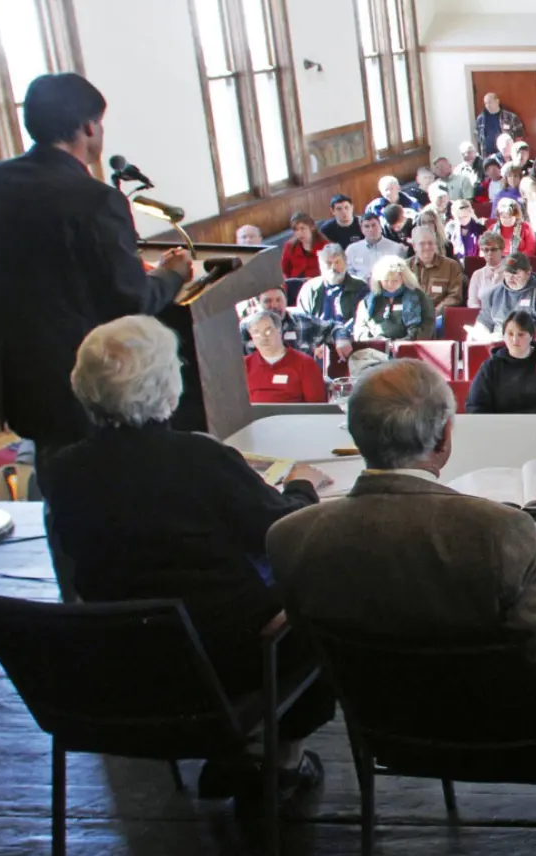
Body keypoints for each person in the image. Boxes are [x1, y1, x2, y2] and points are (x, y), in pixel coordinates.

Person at [48, 316, 334, 795]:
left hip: (121, 665)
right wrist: (302, 486)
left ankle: (230, 756)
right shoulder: (198, 459)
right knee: (319, 599)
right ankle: (284, 761)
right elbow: (281, 529)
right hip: (230, 659)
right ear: (166, 384)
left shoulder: (63, 471)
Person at [268, 360, 536, 737]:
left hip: (387, 736)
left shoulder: (289, 537)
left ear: (357, 436)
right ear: (443, 439)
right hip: (516, 739)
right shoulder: (501, 531)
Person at [0, 74, 194, 502]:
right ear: (89, 127)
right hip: (83, 378)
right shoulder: (94, 199)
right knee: (105, 495)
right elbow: (131, 300)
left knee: (57, 487)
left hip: (17, 373)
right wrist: (172, 274)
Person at [243, 309, 329, 405]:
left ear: (279, 331)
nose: (263, 337)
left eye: (268, 331)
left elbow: (316, 408)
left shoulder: (305, 364)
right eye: (256, 332)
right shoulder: (243, 365)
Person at [473, 253, 536, 341]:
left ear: (528, 272)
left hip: (527, 342)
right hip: (498, 340)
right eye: (507, 272)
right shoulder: (492, 294)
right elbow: (482, 323)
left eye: (515, 273)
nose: (510, 277)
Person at [297, 243, 369, 333]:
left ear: (345, 263)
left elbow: (362, 321)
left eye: (337, 262)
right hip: (318, 337)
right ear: (321, 266)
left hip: (349, 337)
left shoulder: (360, 287)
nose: (333, 267)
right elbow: (303, 321)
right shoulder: (309, 289)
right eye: (328, 263)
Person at [356, 256, 426, 342]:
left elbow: (426, 326)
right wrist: (371, 341)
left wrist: (403, 342)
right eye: (386, 280)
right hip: (376, 345)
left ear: (403, 279)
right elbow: (360, 327)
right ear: (379, 280)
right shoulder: (368, 301)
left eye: (395, 281)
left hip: (407, 345)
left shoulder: (418, 297)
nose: (390, 284)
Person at [474, 91, 524, 158]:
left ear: (497, 101)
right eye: (486, 103)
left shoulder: (510, 117)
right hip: (488, 156)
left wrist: (515, 151)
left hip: (507, 155)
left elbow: (519, 134)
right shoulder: (480, 119)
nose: (488, 105)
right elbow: (477, 136)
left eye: (490, 102)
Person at [280, 212, 325, 280]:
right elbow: (284, 271)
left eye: (302, 228)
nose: (299, 233)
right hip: (295, 283)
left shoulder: (325, 246)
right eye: (296, 230)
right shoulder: (289, 246)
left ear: (312, 227)